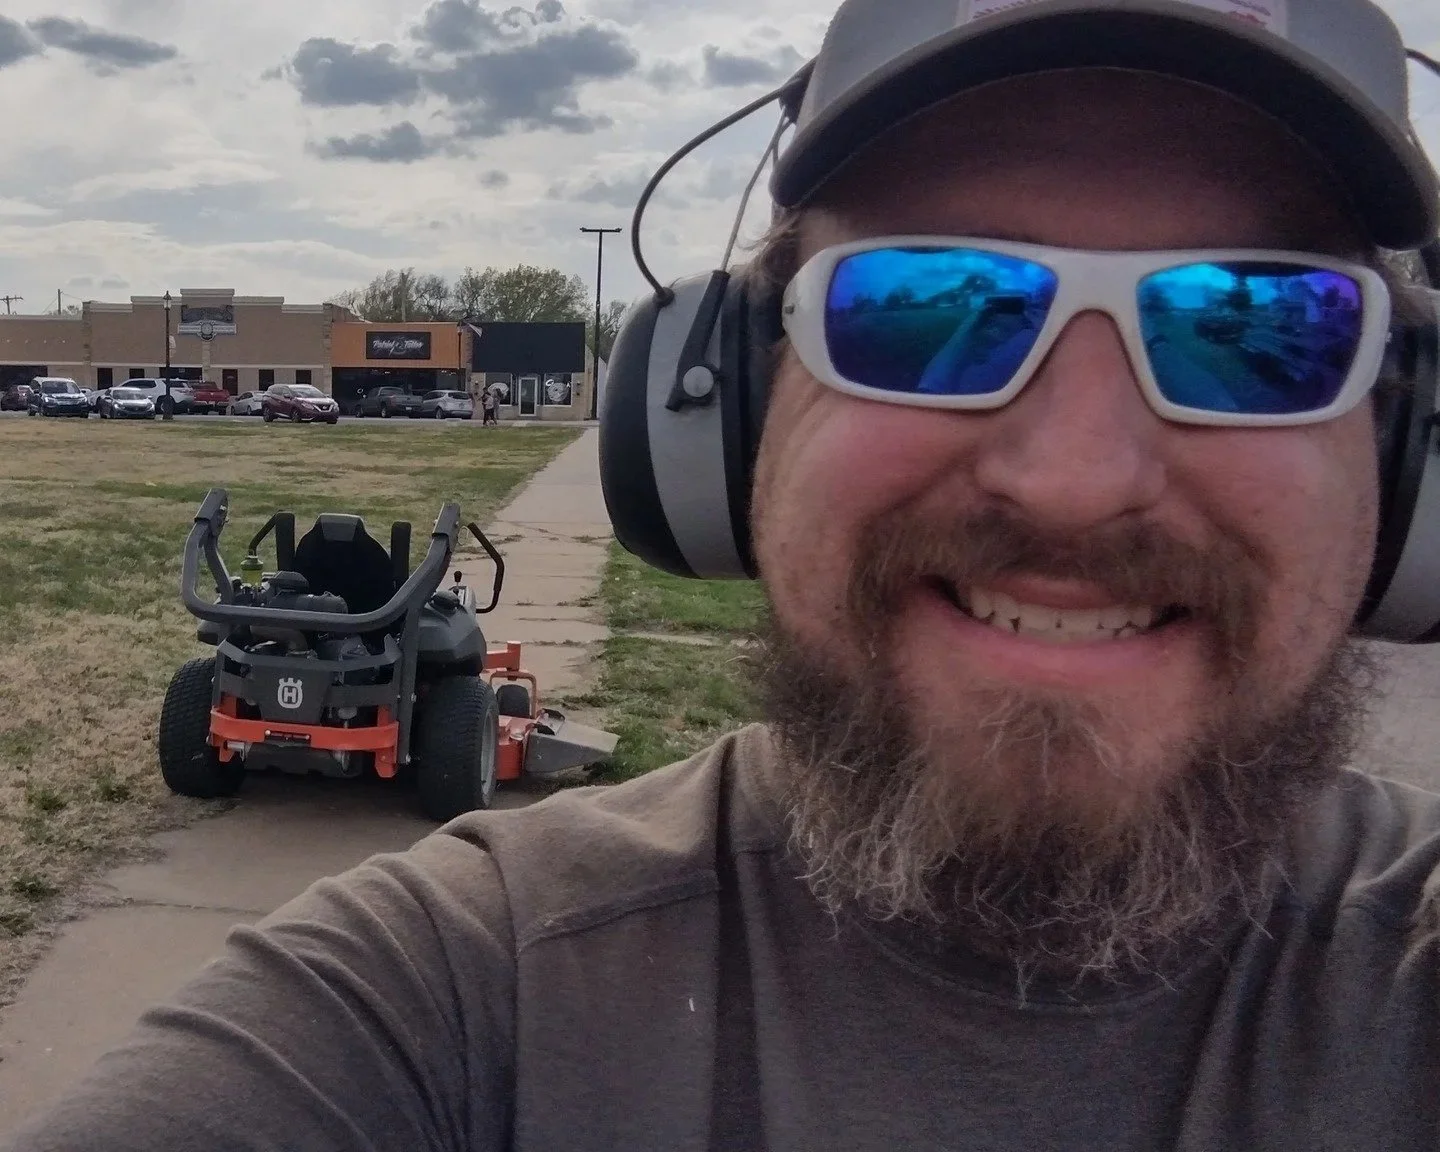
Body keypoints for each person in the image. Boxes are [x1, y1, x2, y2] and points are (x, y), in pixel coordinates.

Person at [6, 0, 1440, 1147]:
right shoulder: (449, 994)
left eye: (1261, 328)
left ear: (1404, 449)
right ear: (727, 415)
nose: (1071, 474)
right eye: (924, 309)